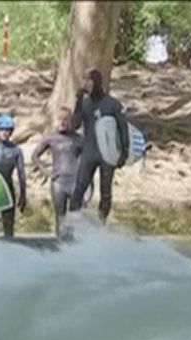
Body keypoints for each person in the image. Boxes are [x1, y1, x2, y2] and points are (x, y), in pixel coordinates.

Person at [69, 68, 128, 224]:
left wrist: (124, 151)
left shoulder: (112, 104)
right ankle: (72, 223)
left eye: (90, 80)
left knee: (105, 190)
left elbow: (123, 128)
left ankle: (102, 222)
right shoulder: (85, 104)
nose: (86, 84)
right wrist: (78, 102)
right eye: (84, 80)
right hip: (89, 151)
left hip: (107, 153)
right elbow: (75, 125)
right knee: (80, 186)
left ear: (97, 82)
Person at [31, 107, 82, 240]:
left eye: (66, 119)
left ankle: (73, 244)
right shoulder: (50, 138)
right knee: (60, 216)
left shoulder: (78, 139)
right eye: (60, 119)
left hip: (74, 181)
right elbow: (35, 156)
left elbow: (87, 160)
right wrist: (46, 172)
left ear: (71, 121)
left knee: (75, 216)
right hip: (58, 182)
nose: (63, 122)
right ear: (56, 121)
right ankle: (60, 243)